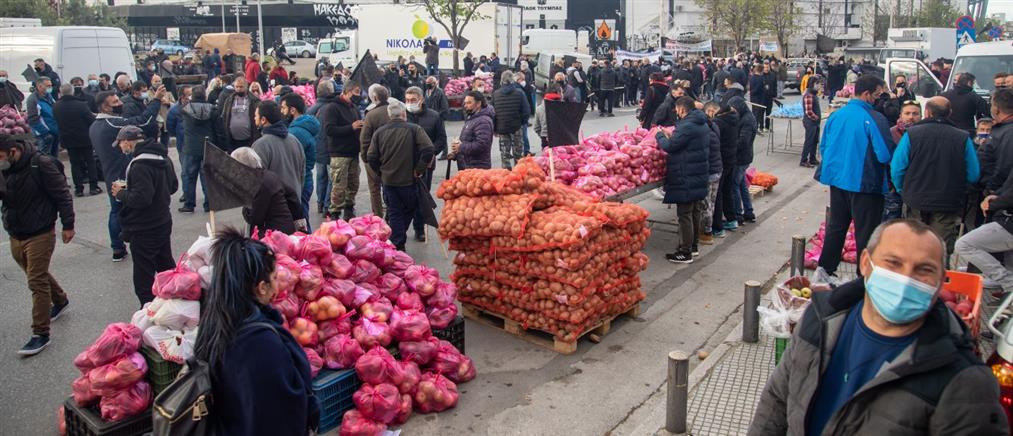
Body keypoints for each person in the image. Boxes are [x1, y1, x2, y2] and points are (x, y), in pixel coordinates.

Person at [751, 219, 1009, 435]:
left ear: (941, 280)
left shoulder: (964, 382)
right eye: (893, 263)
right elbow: (777, 399)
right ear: (865, 263)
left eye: (924, 269)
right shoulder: (820, 318)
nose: (905, 278)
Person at [193, 228, 318, 435]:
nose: (278, 287)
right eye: (275, 278)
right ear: (261, 287)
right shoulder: (260, 344)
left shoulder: (216, 320)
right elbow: (279, 416)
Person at [814, 75, 894, 283]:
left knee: (836, 227)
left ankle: (825, 269)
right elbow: (885, 154)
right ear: (867, 94)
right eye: (877, 95)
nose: (879, 99)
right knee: (866, 232)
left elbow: (824, 147)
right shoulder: (875, 118)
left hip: (837, 180)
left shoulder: (836, 115)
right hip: (865, 182)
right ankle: (863, 277)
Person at [0, 134, 74, 356]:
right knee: (36, 273)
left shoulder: (40, 163)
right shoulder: (5, 169)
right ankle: (60, 299)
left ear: (13, 151)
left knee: (36, 280)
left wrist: (68, 224)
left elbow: (62, 194)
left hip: (40, 231)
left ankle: (40, 333)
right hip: (15, 232)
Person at [890, 97, 980, 261]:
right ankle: (937, 281)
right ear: (950, 113)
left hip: (915, 198)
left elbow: (897, 168)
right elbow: (973, 173)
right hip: (947, 200)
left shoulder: (912, 134)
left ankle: (910, 278)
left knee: (913, 243)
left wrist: (903, 189)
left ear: (927, 112)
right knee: (940, 247)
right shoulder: (962, 138)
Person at [89, 89, 163, 262]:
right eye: (115, 103)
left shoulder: (94, 126)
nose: (120, 104)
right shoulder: (112, 123)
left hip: (110, 174)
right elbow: (143, 121)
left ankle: (118, 247)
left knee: (116, 210)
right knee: (127, 209)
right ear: (104, 107)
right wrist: (156, 100)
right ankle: (127, 244)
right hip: (122, 174)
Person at [110, 126, 178, 305]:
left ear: (127, 142)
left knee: (143, 274)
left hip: (144, 227)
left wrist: (121, 193)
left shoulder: (139, 165)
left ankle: (148, 308)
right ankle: (176, 300)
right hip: (163, 220)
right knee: (166, 266)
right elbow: (173, 187)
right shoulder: (162, 156)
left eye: (121, 144)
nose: (120, 148)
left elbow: (141, 199)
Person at [366, 100, 434, 251]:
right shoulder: (414, 129)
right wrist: (419, 169)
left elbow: (371, 157)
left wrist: (380, 172)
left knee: (394, 211)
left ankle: (398, 242)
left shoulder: (380, 132)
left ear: (390, 115)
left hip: (389, 181)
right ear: (404, 114)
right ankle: (398, 239)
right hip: (409, 180)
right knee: (409, 208)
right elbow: (429, 149)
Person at [656, 97, 709, 264]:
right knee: (694, 211)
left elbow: (670, 147)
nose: (676, 112)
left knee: (685, 213)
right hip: (698, 173)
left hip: (686, 174)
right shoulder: (701, 123)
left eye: (677, 109)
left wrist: (660, 137)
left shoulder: (687, 125)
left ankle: (685, 252)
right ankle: (693, 247)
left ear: (682, 109)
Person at [231, 147, 305, 237]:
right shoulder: (268, 175)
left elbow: (254, 218)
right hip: (282, 229)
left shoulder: (258, 184)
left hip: (274, 235)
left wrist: (245, 204)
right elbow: (291, 195)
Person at [404, 86, 446, 242]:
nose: (409, 103)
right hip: (406, 163)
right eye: (407, 100)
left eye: (413, 100)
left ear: (421, 99)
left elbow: (441, 139)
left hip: (426, 164)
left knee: (422, 196)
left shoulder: (434, 116)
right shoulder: (403, 115)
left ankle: (419, 228)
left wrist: (431, 153)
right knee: (406, 197)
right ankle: (401, 229)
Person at [251, 100, 305, 200]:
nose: (254, 118)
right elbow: (302, 174)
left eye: (256, 116)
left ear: (263, 119)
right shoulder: (295, 140)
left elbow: (257, 180)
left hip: (275, 205)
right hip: (295, 200)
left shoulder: (260, 145)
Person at [53, 84, 100, 197]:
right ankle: (93, 186)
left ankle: (78, 188)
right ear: (72, 92)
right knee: (90, 161)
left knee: (75, 164)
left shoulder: (56, 106)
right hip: (84, 138)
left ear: (61, 92)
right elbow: (91, 120)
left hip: (68, 139)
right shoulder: (81, 105)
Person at [280, 93, 319, 227]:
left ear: (293, 110)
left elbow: (290, 159)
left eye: (284, 108)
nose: (282, 111)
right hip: (305, 178)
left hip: (299, 181)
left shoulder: (295, 132)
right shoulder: (306, 125)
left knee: (300, 222)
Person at [179, 85, 217, 213]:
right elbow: (218, 130)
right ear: (205, 96)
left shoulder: (185, 109)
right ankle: (209, 204)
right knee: (207, 176)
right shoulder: (212, 109)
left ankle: (189, 204)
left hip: (190, 147)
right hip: (207, 145)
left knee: (190, 176)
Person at [360, 84, 393, 217]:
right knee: (390, 187)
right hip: (392, 156)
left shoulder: (371, 115)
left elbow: (364, 139)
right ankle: (391, 214)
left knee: (374, 189)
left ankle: (378, 216)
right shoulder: (395, 111)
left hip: (374, 156)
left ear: (374, 97)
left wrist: (365, 157)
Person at [491, 72, 529, 170]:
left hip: (502, 128)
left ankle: (507, 178)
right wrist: (522, 123)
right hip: (516, 127)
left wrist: (495, 128)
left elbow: (493, 113)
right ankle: (518, 176)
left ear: (501, 81)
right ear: (513, 80)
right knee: (518, 155)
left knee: (505, 155)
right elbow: (526, 111)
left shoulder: (496, 94)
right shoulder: (520, 93)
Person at [700, 102, 724, 246]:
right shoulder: (714, 127)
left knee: (706, 204)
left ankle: (706, 233)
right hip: (717, 169)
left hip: (710, 171)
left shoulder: (705, 134)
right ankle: (710, 229)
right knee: (712, 202)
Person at [452, 91, 494, 170]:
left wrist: (460, 147)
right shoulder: (472, 118)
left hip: (477, 167)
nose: (465, 106)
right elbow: (467, 140)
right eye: (465, 103)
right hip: (468, 165)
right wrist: (456, 153)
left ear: (478, 104)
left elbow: (481, 145)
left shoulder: (483, 121)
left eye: (469, 103)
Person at [941, 73, 991, 137]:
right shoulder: (974, 97)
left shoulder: (944, 95)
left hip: (947, 131)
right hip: (967, 132)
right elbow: (987, 111)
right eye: (973, 84)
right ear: (969, 83)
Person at [218, 77, 260, 152]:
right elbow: (224, 117)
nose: (239, 89)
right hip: (232, 141)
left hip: (250, 140)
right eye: (237, 87)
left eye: (241, 87)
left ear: (246, 87)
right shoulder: (229, 100)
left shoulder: (254, 101)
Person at [25, 77, 59, 157]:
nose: (50, 87)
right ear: (39, 86)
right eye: (48, 86)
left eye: (50, 85)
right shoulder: (33, 99)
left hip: (54, 132)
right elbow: (33, 119)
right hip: (44, 135)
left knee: (54, 159)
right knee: (44, 158)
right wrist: (45, 133)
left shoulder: (49, 96)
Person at [800, 77, 822, 168]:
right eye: (817, 84)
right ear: (812, 84)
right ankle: (804, 160)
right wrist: (816, 117)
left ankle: (812, 158)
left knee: (815, 141)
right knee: (809, 141)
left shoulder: (814, 94)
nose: (819, 86)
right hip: (810, 122)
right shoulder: (808, 95)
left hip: (815, 122)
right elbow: (809, 111)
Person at [533, 84, 561, 150]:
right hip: (561, 139)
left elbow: (536, 127)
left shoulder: (539, 108)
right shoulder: (562, 107)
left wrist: (543, 135)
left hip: (545, 139)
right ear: (558, 93)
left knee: (547, 159)